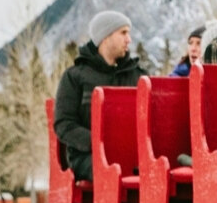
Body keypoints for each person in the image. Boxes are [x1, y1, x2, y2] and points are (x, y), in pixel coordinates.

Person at [53, 10, 149, 179]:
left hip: (133, 155)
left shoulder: (138, 76)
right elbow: (64, 124)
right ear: (105, 37)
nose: (129, 39)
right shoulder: (75, 76)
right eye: (123, 33)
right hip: (87, 157)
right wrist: (98, 143)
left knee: (153, 174)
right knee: (108, 172)